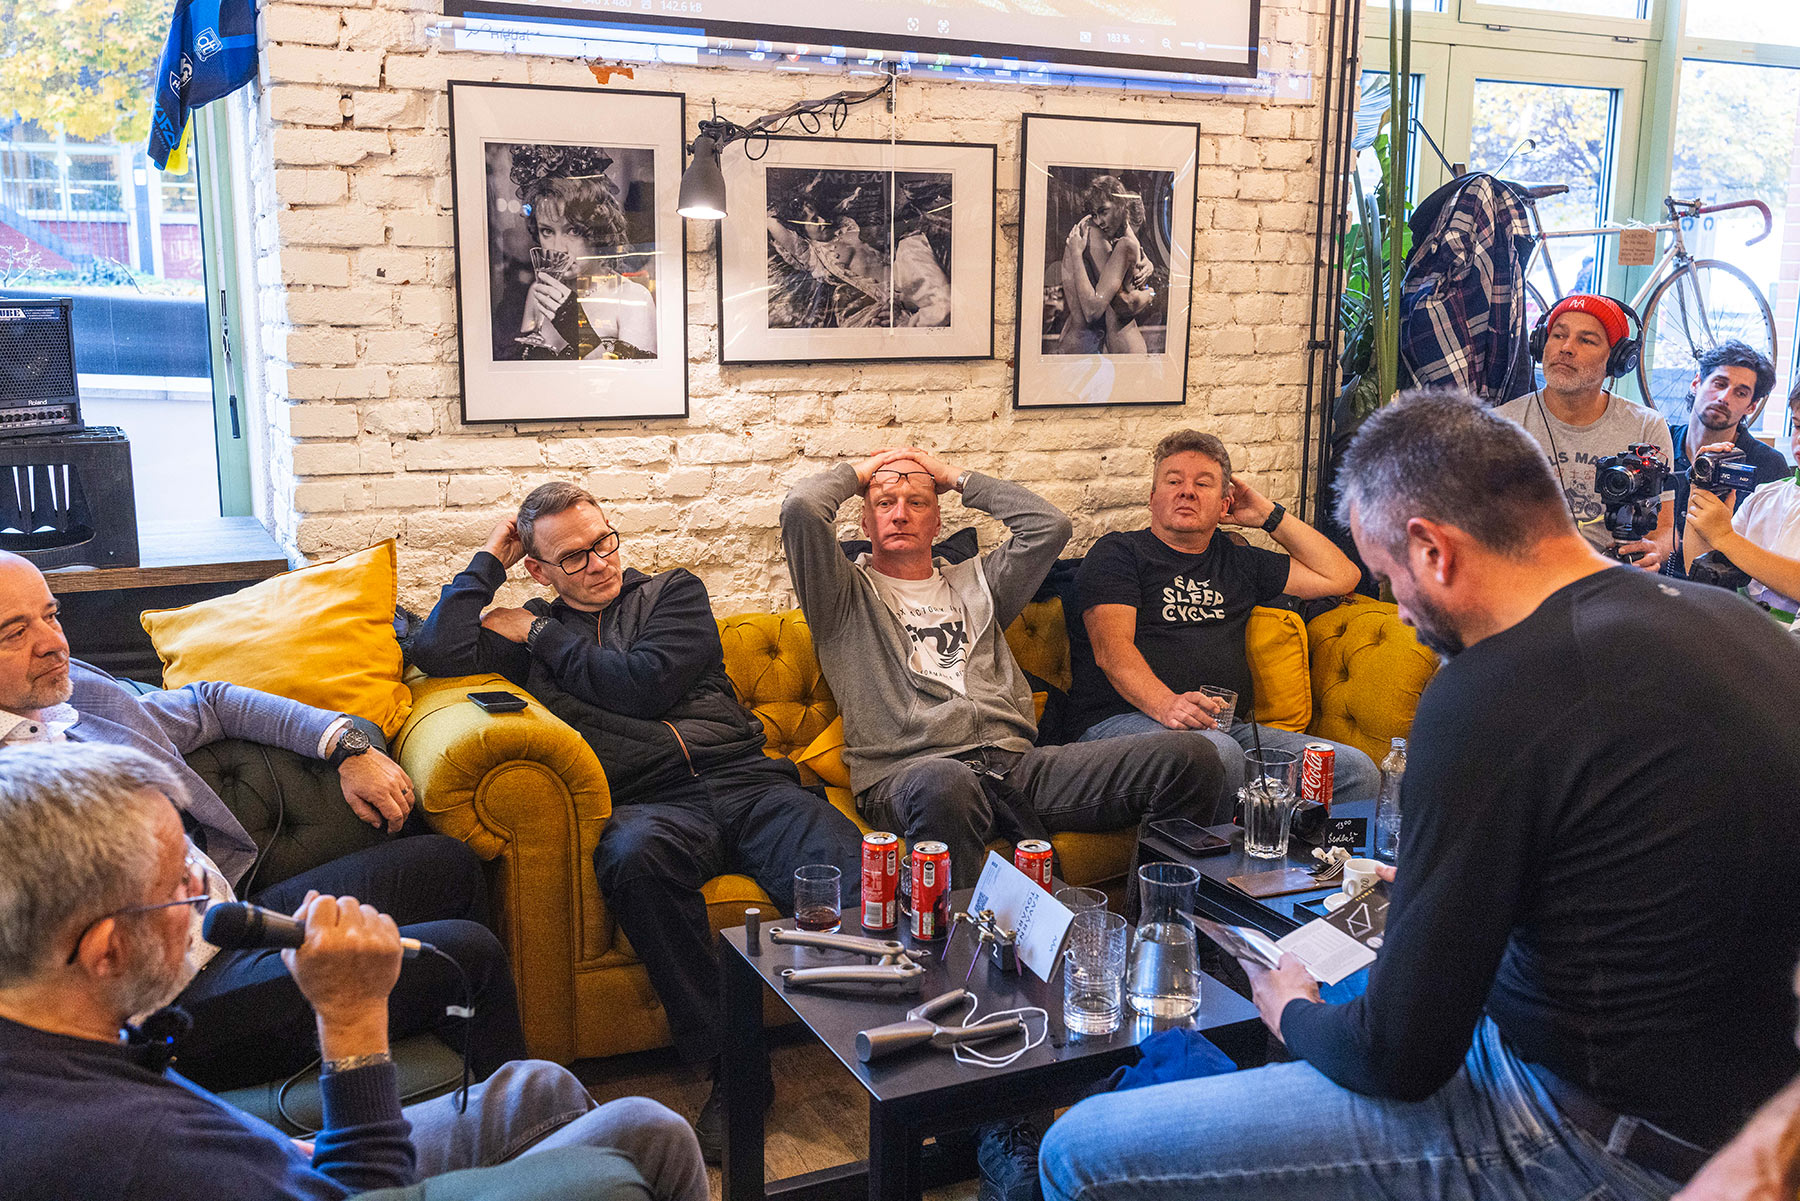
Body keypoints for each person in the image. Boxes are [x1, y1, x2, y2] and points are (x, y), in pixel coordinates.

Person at [1039, 389, 1800, 1201]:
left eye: (1389, 576)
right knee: (1337, 962)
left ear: (1434, 548)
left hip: (1583, 1129)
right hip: (1745, 1108)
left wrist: (1288, 1008)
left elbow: (1396, 1058)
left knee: (1080, 1148)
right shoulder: (1744, 627)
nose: (1396, 609)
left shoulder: (1491, 689)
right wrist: (1464, 890)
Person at [0, 741, 706, 1201]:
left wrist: (278, 1147)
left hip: (288, 1160)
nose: (203, 895)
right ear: (105, 951)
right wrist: (352, 1020)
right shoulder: (141, 1149)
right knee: (646, 1128)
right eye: (180, 885)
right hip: (348, 1185)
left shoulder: (54, 1032)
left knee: (537, 1085)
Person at [408, 482, 863, 1161]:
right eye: (574, 557)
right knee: (632, 857)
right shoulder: (528, 630)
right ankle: (737, 1070)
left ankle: (923, 1047)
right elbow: (436, 650)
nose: (600, 563)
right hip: (653, 805)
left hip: (748, 783)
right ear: (538, 570)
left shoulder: (671, 594)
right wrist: (488, 562)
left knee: (853, 872)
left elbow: (642, 682)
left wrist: (538, 632)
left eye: (604, 541)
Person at [0, 551, 527, 1092]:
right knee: (468, 953)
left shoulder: (74, 695)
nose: (52, 642)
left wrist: (345, 744)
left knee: (449, 866)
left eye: (51, 615)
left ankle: (466, 1080)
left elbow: (210, 703)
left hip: (222, 916)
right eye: (15, 633)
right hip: (168, 997)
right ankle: (519, 1121)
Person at [780, 447, 1222, 889]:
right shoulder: (840, 597)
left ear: (937, 522)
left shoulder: (980, 585)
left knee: (1193, 757)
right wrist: (862, 474)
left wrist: (954, 477)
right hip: (912, 773)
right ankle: (952, 932)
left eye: (916, 502)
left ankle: (1155, 921)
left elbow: (1050, 527)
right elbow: (801, 508)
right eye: (884, 503)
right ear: (865, 523)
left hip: (1014, 767)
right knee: (946, 782)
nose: (900, 515)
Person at [1068, 430, 1378, 817]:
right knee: (1217, 754)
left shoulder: (1238, 560)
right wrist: (1167, 705)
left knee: (1354, 771)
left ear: (1224, 504)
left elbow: (1343, 576)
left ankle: (1314, 858)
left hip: (1222, 729)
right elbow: (1112, 651)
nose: (1187, 491)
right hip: (1122, 723)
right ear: (1152, 498)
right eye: (1173, 481)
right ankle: (1213, 860)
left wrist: (1267, 516)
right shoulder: (1119, 553)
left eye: (1203, 484)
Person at [1495, 293, 1675, 570]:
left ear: (1616, 360)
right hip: (1525, 579)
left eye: (1586, 340)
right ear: (1541, 344)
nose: (1566, 348)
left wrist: (1655, 552)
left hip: (1610, 580)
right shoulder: (1501, 424)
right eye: (1558, 336)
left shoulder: (1646, 427)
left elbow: (1664, 531)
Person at [505, 144, 656, 361]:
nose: (558, 247)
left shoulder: (632, 298)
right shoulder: (539, 293)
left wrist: (577, 329)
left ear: (597, 231)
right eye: (547, 231)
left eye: (573, 230)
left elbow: (636, 379)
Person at [1684, 380, 1800, 628]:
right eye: (1798, 426)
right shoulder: (1765, 495)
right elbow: (1701, 571)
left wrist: (1725, 536)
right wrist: (1700, 488)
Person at [1666, 339, 1789, 562]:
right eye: (1719, 384)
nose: (1724, 398)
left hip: (1720, 581)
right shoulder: (1660, 442)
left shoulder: (1768, 465)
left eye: (1740, 393)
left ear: (1751, 406)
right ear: (1696, 383)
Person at [1055, 175, 1156, 356]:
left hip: (1083, 342)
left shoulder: (1091, 231)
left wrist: (1148, 264)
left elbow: (1134, 255)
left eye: (1103, 212)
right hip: (1085, 345)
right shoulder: (1094, 233)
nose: (1100, 221)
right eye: (1097, 213)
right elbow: (1117, 305)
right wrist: (1150, 294)